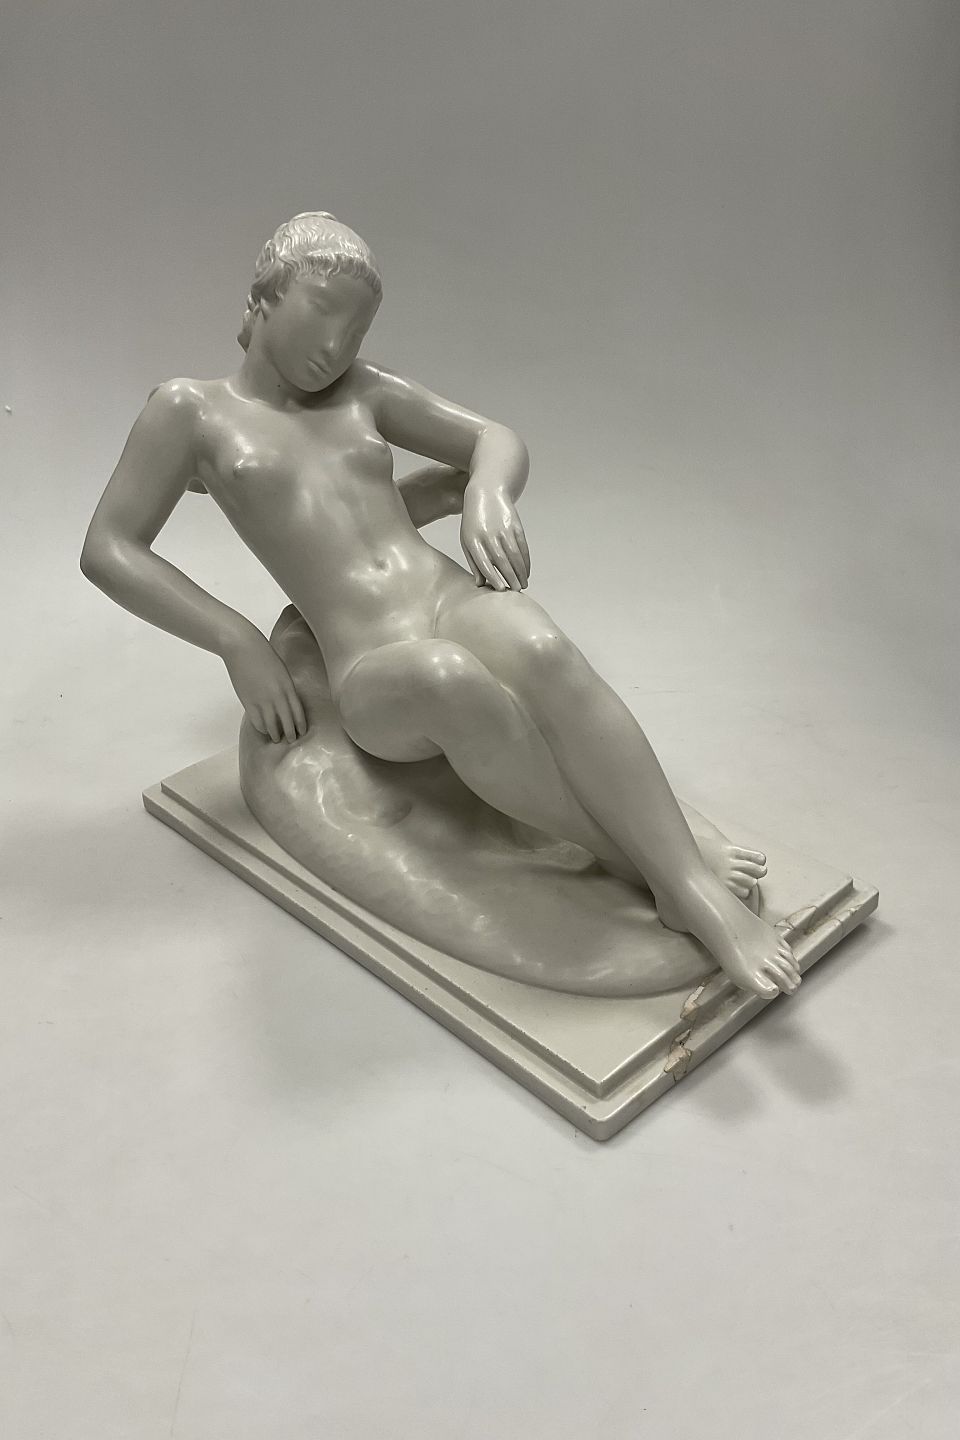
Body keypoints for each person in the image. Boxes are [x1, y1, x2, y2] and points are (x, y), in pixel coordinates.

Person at [81, 211, 800, 998]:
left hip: (442, 595)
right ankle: (647, 866)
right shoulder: (190, 410)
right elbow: (110, 547)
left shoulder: (363, 390)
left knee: (542, 647)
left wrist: (486, 493)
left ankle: (682, 877)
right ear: (264, 297)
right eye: (322, 311)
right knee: (448, 681)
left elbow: (495, 438)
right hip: (369, 659)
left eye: (357, 330)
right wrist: (237, 640)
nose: (336, 346)